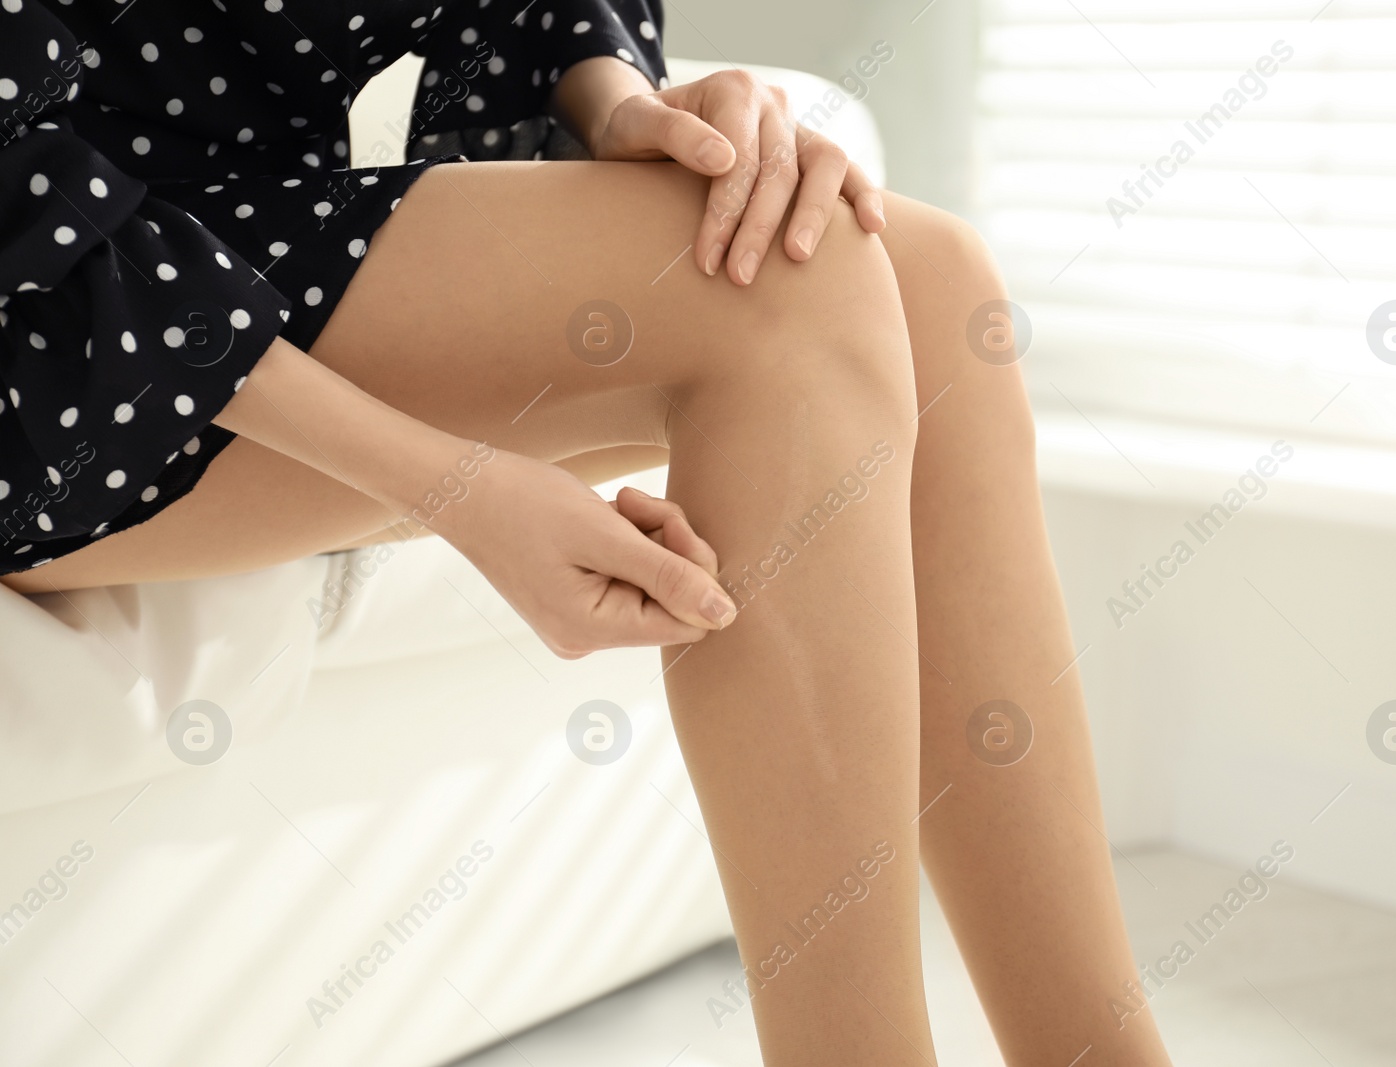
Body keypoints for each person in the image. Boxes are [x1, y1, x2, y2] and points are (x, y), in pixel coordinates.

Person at [0, 1, 1172, 1063]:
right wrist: (453, 487)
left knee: (930, 279)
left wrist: (625, 107)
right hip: (46, 312)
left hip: (244, 233)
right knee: (784, 295)